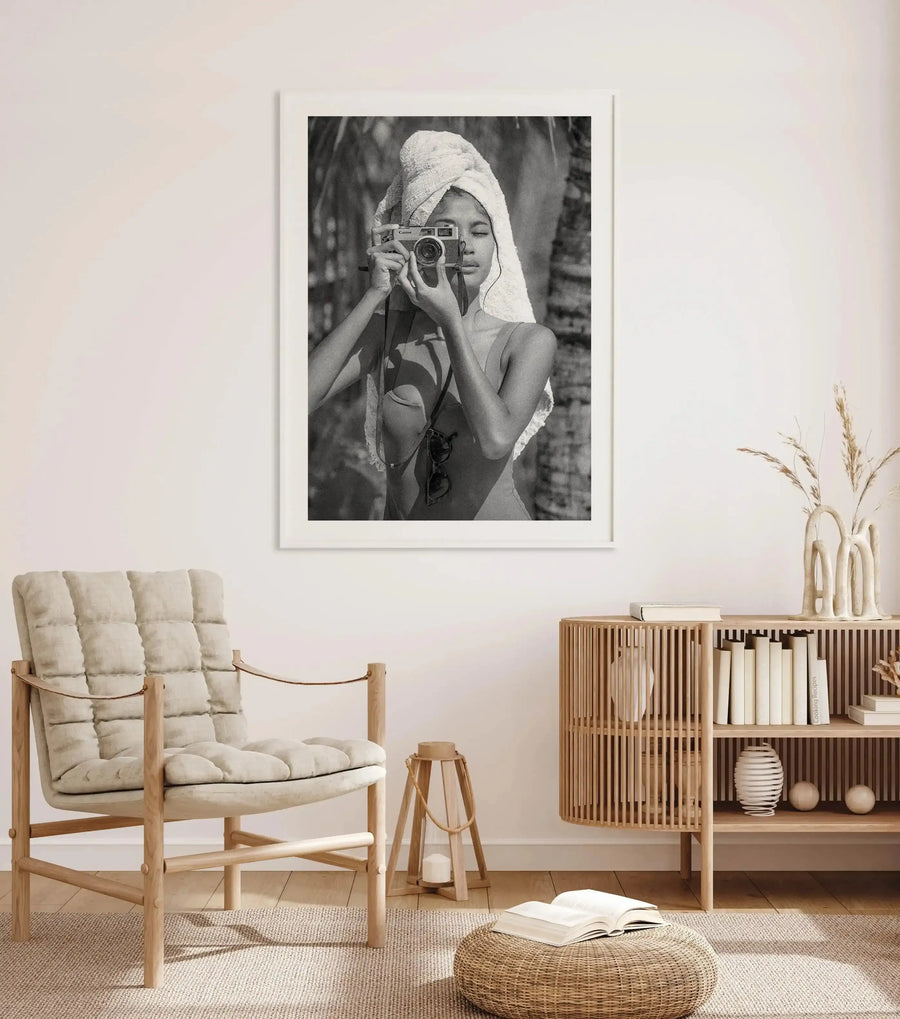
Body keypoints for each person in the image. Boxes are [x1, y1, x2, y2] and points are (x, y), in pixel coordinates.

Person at [308, 130, 556, 520]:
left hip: (495, 552)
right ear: (417, 239)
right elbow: (294, 402)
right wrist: (374, 294)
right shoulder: (389, 331)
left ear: (498, 244)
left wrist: (451, 324)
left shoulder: (528, 341)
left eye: (479, 230)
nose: (467, 245)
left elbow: (495, 440)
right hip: (402, 552)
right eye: (445, 233)